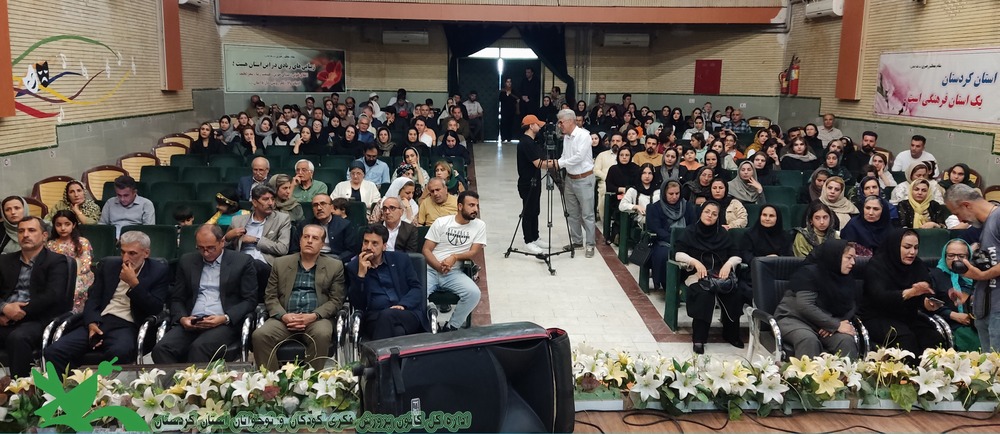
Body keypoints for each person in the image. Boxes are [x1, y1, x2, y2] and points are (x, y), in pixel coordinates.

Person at [43, 231, 169, 376]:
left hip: (128, 324)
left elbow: (155, 307)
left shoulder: (158, 270)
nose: (125, 258)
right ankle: (70, 388)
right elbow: (93, 298)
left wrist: (134, 284)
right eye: (123, 252)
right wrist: (92, 323)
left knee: (119, 352)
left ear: (146, 253)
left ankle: (106, 390)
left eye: (132, 253)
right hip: (100, 320)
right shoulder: (109, 265)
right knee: (54, 351)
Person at [152, 225, 257, 364]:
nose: (206, 253)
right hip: (193, 321)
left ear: (222, 242)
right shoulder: (187, 261)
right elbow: (177, 298)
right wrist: (182, 318)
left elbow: (250, 300)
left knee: (199, 348)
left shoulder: (242, 261)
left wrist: (225, 318)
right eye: (201, 248)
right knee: (161, 349)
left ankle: (196, 379)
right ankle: (177, 379)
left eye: (211, 248)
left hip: (223, 323)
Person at [252, 224, 345, 371]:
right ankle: (271, 381)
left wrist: (313, 316)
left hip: (316, 319)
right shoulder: (281, 263)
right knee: (260, 335)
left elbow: (336, 300)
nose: (309, 241)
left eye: (315, 238)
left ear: (322, 244)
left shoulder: (334, 266)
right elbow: (270, 296)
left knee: (322, 334)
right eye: (306, 237)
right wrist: (284, 316)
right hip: (284, 319)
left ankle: (311, 381)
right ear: (300, 240)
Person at [0, 217, 70, 378]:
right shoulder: (4, 260)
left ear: (44, 236)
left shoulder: (57, 261)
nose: (25, 235)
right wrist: (4, 308)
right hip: (5, 317)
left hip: (39, 320)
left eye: (31, 230)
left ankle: (23, 388)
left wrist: (16, 312)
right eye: (21, 231)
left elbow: (53, 296)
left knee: (18, 338)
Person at [860, 228, 945, 356]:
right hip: (878, 317)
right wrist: (910, 292)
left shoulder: (917, 265)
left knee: (933, 338)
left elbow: (925, 293)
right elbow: (879, 297)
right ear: (895, 246)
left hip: (907, 316)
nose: (912, 252)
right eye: (907, 247)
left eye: (916, 248)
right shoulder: (877, 265)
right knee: (906, 340)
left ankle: (933, 370)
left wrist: (928, 303)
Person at [674, 202, 744, 354]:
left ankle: (731, 335)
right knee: (704, 295)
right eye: (707, 212)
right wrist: (695, 262)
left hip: (720, 274)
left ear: (718, 217)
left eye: (714, 214)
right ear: (701, 212)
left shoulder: (723, 233)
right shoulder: (690, 231)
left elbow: (736, 255)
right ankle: (699, 339)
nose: (710, 216)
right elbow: (678, 254)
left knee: (735, 293)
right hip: (697, 275)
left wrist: (728, 265)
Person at [774, 240, 859, 359]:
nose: (853, 262)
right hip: (795, 319)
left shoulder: (846, 278)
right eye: (849, 258)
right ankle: (806, 372)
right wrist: (834, 325)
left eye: (854, 258)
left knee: (846, 341)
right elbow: (805, 306)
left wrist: (836, 323)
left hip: (825, 323)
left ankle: (846, 371)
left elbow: (851, 304)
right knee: (808, 339)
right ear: (834, 256)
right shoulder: (809, 273)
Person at [347, 224, 429, 340]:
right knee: (398, 331)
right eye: (366, 242)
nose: (368, 247)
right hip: (375, 318)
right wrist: (361, 276)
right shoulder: (354, 267)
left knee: (388, 314)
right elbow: (358, 304)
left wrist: (402, 305)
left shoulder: (401, 259)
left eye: (375, 243)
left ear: (384, 246)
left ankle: (376, 351)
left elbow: (416, 288)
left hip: (406, 313)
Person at [944, 184, 1000, 351]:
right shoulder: (983, 226)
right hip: (986, 307)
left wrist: (982, 275)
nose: (960, 220)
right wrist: (967, 296)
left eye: (957, 214)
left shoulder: (998, 218)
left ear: (966, 205)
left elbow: (985, 272)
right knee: (988, 363)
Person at [422, 191, 485, 331]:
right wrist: (438, 266)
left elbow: (474, 252)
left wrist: (455, 257)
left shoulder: (479, 225)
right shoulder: (442, 222)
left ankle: (451, 327)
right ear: (460, 206)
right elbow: (426, 250)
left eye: (477, 206)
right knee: (416, 295)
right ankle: (429, 321)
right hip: (431, 270)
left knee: (474, 294)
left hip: (454, 273)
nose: (475, 209)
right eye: (471, 205)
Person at [551, 109, 597, 257]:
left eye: (561, 122)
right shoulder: (566, 137)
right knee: (572, 212)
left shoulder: (584, 136)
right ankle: (577, 241)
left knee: (587, 214)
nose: (559, 125)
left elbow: (579, 157)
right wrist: (558, 162)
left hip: (584, 179)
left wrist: (559, 164)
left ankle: (590, 244)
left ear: (570, 121)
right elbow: (565, 155)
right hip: (570, 178)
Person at [929, 239, 979, 351]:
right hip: (953, 324)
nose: (956, 259)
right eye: (951, 255)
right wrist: (953, 315)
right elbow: (930, 303)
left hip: (979, 321)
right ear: (944, 256)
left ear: (968, 257)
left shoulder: (976, 275)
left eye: (961, 256)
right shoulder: (935, 275)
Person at [517, 115, 556, 254]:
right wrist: (558, 163)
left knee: (535, 210)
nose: (539, 127)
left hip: (535, 180)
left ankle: (535, 236)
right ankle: (528, 240)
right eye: (537, 125)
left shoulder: (533, 141)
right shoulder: (525, 143)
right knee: (528, 211)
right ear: (531, 125)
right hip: (528, 182)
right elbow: (539, 163)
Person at [646, 180, 695, 291]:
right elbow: (655, 228)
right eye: (671, 194)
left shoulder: (687, 206)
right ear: (664, 193)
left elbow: (692, 225)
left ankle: (688, 284)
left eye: (677, 193)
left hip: (686, 241)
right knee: (664, 255)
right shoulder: (654, 208)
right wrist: (672, 239)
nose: (674, 197)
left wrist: (684, 239)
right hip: (663, 242)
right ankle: (668, 286)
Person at [226, 185, 292, 266]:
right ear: (254, 202)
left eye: (272, 199)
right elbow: (221, 247)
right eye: (265, 199)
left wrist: (256, 240)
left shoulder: (282, 219)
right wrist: (227, 238)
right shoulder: (237, 221)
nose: (270, 203)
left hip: (265, 265)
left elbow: (283, 249)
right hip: (241, 263)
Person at [46, 210, 94, 312]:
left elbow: (86, 264)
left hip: (80, 275)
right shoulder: (50, 244)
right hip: (57, 276)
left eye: (67, 224)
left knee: (75, 289)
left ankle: (75, 315)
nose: (63, 228)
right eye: (58, 225)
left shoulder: (82, 242)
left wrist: (71, 275)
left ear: (74, 225)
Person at [291, 194, 356, 262]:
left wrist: (338, 260)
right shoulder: (304, 225)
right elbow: (295, 249)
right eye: (315, 205)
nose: (319, 208)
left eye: (323, 204)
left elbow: (351, 250)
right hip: (309, 257)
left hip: (334, 259)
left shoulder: (344, 224)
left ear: (331, 207)